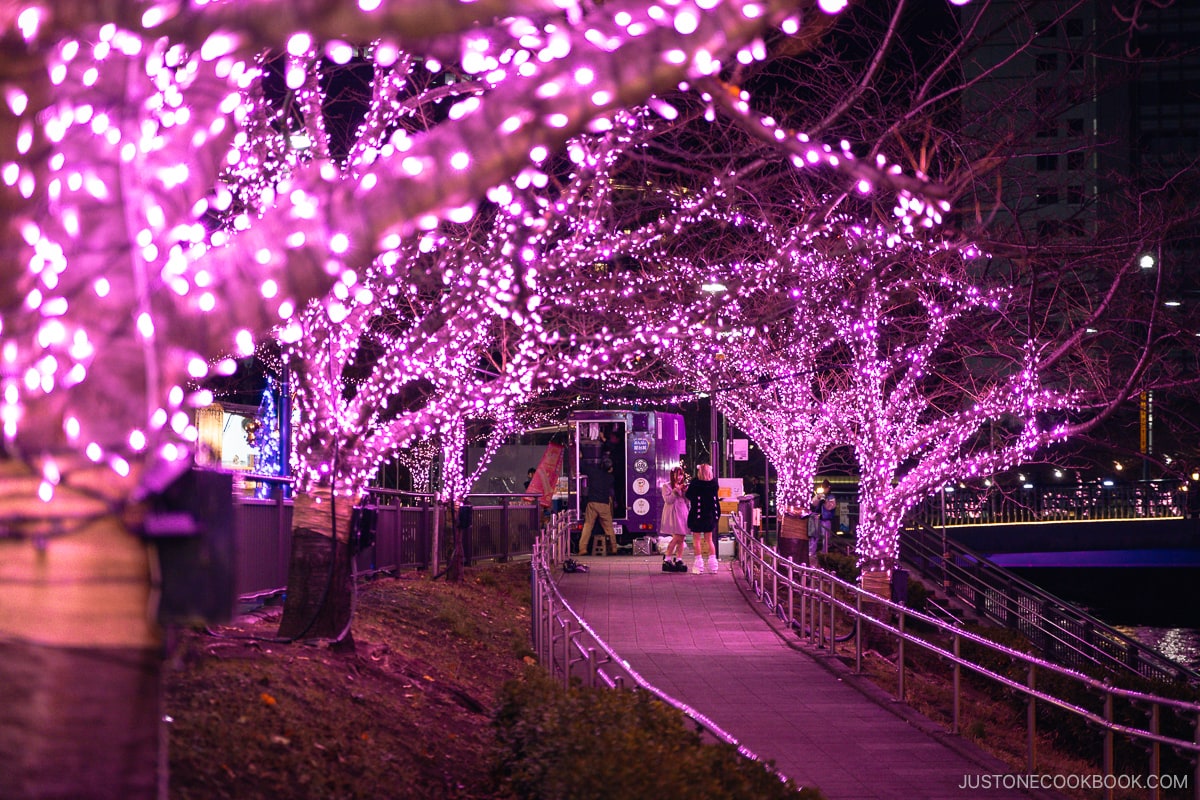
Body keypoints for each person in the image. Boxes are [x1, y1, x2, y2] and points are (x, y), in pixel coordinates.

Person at [578, 457, 620, 556]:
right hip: (604, 505)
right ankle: (613, 548)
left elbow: (583, 467)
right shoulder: (610, 478)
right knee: (609, 527)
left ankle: (582, 549)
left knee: (588, 525)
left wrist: (580, 457)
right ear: (610, 468)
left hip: (592, 503)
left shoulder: (594, 473)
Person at [685, 463, 721, 574]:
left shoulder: (695, 483)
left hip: (697, 515)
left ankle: (699, 565)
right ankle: (713, 566)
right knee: (709, 540)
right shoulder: (714, 484)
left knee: (696, 540)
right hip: (710, 515)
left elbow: (689, 495)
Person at [659, 466, 690, 573]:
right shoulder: (666, 486)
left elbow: (687, 502)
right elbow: (668, 500)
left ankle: (679, 559)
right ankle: (667, 559)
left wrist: (686, 493)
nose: (679, 477)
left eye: (681, 474)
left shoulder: (683, 486)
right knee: (677, 536)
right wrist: (675, 491)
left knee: (682, 537)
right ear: (672, 475)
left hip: (683, 513)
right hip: (673, 513)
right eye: (677, 474)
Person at [810, 480, 836, 557]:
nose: (824, 489)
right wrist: (818, 497)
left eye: (825, 488)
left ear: (828, 488)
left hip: (826, 519)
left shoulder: (831, 497)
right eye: (823, 488)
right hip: (816, 518)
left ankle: (825, 553)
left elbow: (830, 507)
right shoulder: (818, 495)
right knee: (814, 536)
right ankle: (811, 552)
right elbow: (813, 504)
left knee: (826, 537)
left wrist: (825, 501)